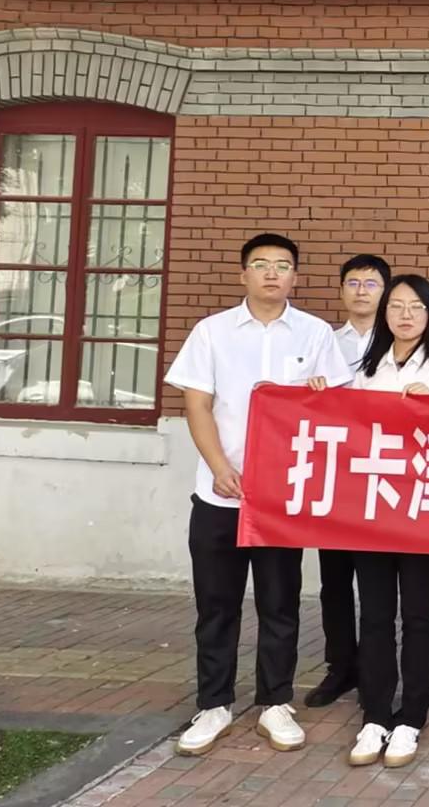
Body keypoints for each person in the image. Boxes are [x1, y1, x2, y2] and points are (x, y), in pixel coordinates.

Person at [165, 234, 353, 757]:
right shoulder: (212, 332)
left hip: (280, 501)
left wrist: (321, 398)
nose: (272, 273)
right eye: (262, 264)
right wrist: (219, 467)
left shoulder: (316, 334)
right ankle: (214, 704)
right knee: (216, 606)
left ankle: (275, 701)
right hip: (220, 494)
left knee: (279, 604)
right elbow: (197, 405)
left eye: (283, 265)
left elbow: (336, 409)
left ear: (296, 277)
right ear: (243, 274)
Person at [334, 273, 429, 769]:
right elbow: (346, 429)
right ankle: (375, 714)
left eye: (416, 307)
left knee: (418, 616)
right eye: (396, 306)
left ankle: (411, 717)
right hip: (372, 510)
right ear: (384, 313)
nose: (405, 316)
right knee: (375, 615)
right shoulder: (366, 369)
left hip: (421, 512)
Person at [305, 253, 390, 710]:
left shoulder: (399, 342)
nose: (361, 290)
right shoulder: (322, 342)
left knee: (376, 585)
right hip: (335, 476)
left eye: (371, 283)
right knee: (334, 580)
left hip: (382, 478)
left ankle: (376, 671)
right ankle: (340, 667)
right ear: (341, 290)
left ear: (385, 292)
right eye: (353, 282)